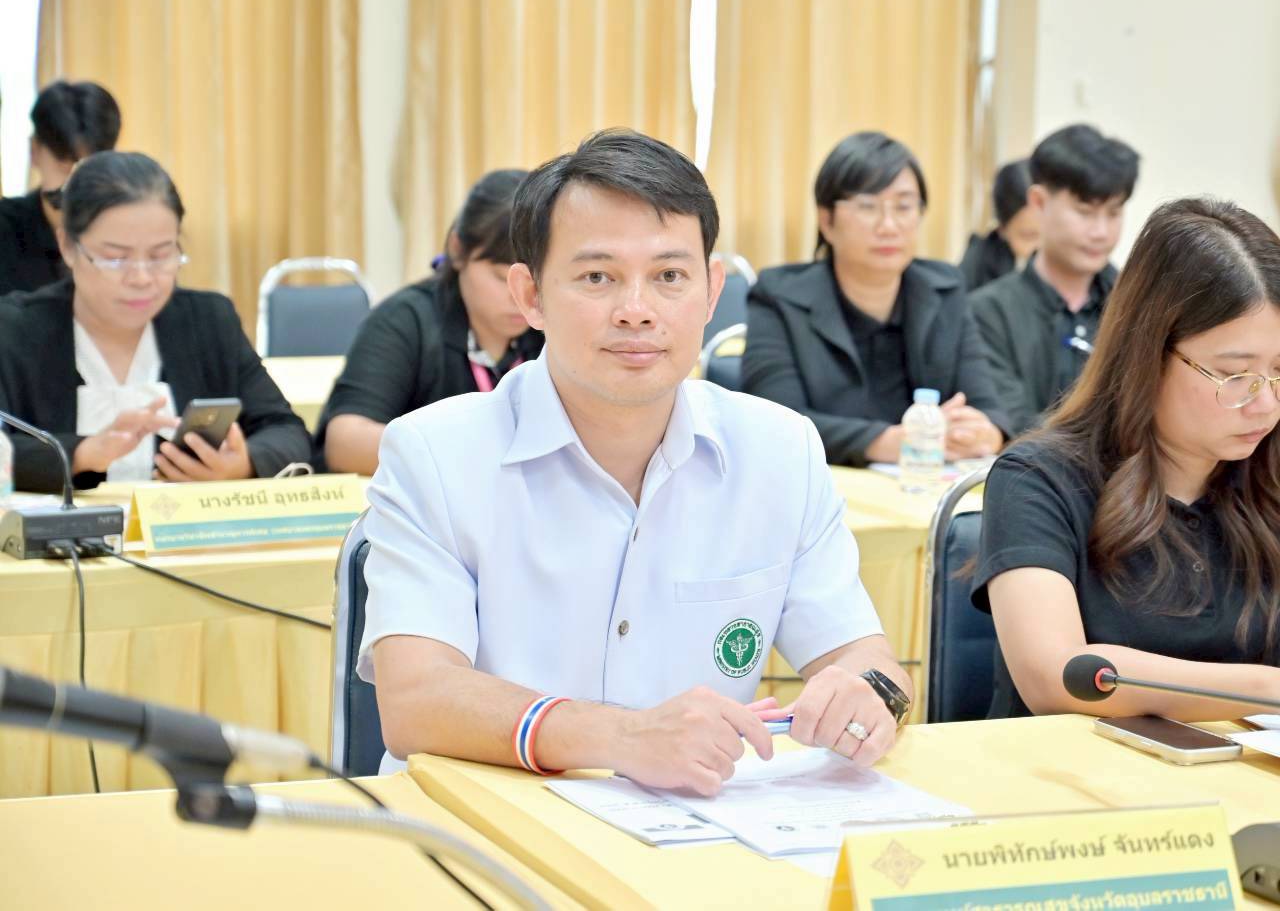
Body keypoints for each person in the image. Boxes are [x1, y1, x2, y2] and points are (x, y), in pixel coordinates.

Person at [359, 129, 912, 794]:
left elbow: (865, 656)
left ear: (712, 292)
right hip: (484, 821)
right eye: (598, 277)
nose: (637, 311)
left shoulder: (780, 450)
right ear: (530, 295)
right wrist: (622, 737)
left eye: (669, 277)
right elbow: (415, 699)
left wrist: (868, 695)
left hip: (700, 828)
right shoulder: (434, 454)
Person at [973, 197, 1280, 721]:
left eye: (1278, 372)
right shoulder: (1038, 478)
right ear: (1148, 355)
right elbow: (1059, 676)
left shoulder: (1267, 475)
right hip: (1075, 769)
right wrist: (1266, 689)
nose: (1265, 404)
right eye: (1235, 375)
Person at [0, 151, 310, 493]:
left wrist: (244, 463)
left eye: (161, 255)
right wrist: (81, 454)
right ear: (68, 247)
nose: (142, 278)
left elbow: (288, 432)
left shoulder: (209, 321)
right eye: (116, 258)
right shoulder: (14, 330)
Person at [741, 131, 1008, 468]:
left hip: (925, 486)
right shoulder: (779, 296)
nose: (889, 225)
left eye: (904, 206)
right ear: (827, 220)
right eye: (868, 206)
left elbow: (986, 405)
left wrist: (986, 433)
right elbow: (774, 421)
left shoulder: (945, 289)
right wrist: (887, 443)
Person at [315, 169, 544, 475]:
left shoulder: (553, 321)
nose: (522, 296)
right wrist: (465, 455)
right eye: (502, 278)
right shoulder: (405, 320)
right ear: (457, 249)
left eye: (536, 279)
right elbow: (345, 443)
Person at [971, 124, 1140, 436]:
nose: (1101, 232)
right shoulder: (988, 312)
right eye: (1085, 212)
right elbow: (1014, 422)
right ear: (1038, 202)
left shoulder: (1137, 307)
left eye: (1114, 213)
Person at [0, 80, 121, 296]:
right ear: (34, 151)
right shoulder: (6, 229)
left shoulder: (129, 226)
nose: (78, 179)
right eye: (65, 164)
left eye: (92, 164)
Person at [958, 159, 1038, 291]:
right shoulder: (978, 264)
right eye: (1029, 236)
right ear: (1002, 229)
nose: (1040, 246)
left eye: (1050, 233)